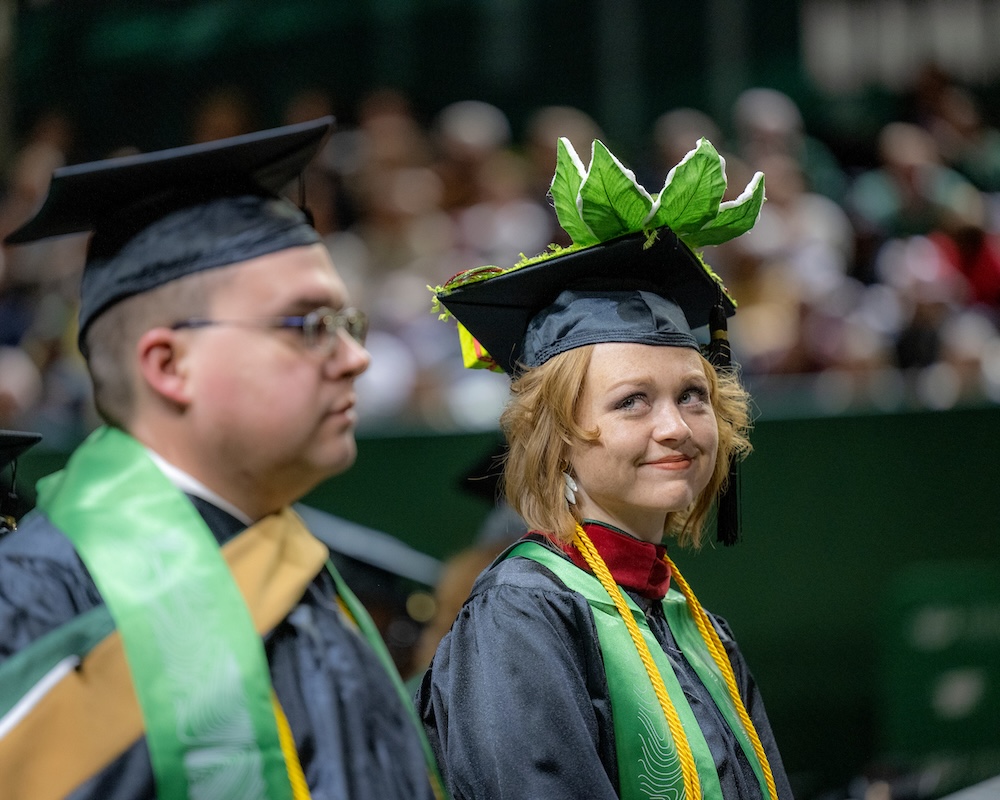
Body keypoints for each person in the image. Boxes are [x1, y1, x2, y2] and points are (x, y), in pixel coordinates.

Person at [0, 119, 444, 800]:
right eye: (309, 325)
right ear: (170, 365)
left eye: (349, 326)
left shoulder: (305, 575)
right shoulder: (40, 599)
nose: (357, 358)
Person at [417, 136, 793, 799]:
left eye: (693, 396)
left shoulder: (682, 614)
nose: (675, 426)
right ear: (556, 437)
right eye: (632, 402)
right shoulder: (524, 614)